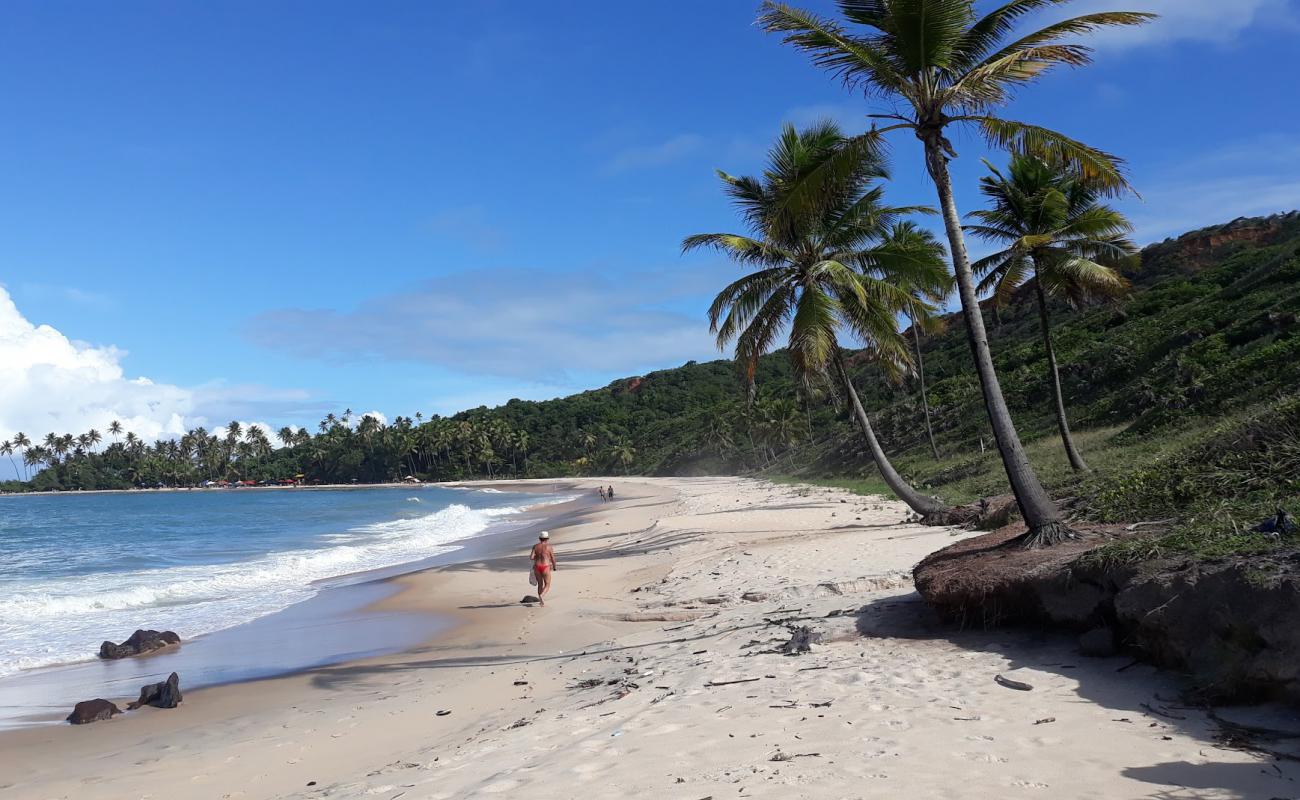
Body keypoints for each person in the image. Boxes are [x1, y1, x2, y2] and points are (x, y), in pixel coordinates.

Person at [530, 531, 557, 605]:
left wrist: (538, 556)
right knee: (547, 584)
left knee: (540, 584)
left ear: (539, 538)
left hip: (537, 567)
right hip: (546, 566)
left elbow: (531, 557)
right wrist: (554, 567)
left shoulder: (535, 546)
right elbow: (553, 558)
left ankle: (540, 600)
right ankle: (542, 595)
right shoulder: (549, 547)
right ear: (547, 539)